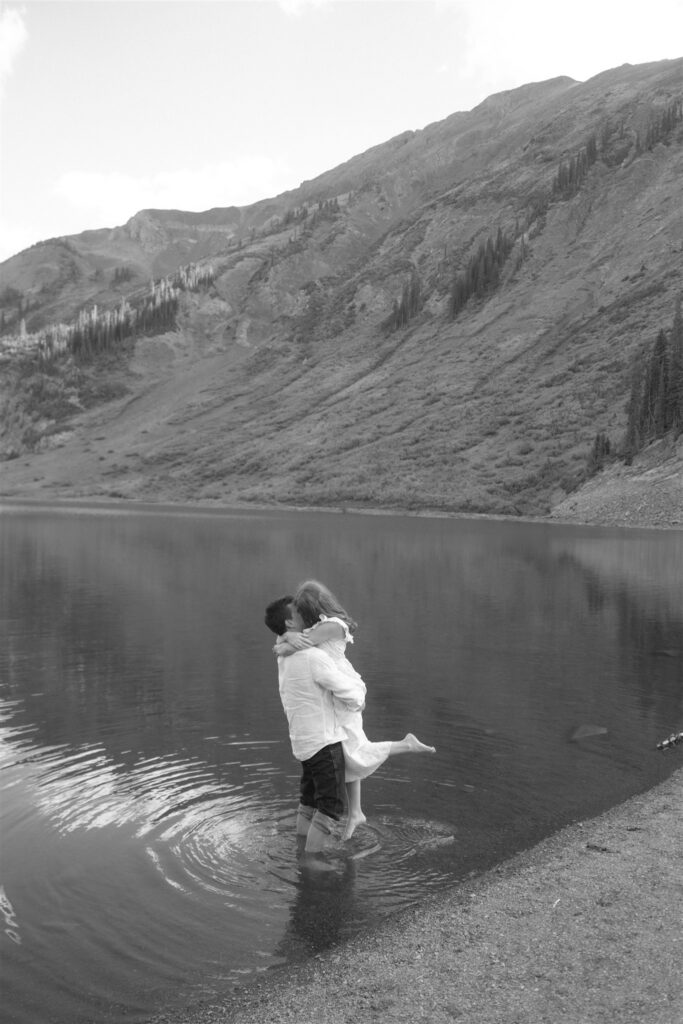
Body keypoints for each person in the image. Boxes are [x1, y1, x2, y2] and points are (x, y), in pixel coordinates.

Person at [275, 579, 435, 840]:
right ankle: (357, 812)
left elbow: (301, 642)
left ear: (312, 610)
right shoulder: (321, 625)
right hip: (334, 691)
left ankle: (405, 746)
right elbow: (300, 641)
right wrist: (286, 638)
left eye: (301, 613)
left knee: (352, 750)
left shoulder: (332, 626)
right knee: (348, 752)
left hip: (345, 689)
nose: (298, 618)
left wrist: (282, 643)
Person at [264, 594, 367, 854]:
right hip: (324, 743)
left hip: (302, 742)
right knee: (330, 807)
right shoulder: (314, 658)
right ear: (290, 623)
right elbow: (349, 693)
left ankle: (301, 849)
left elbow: (281, 641)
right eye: (298, 613)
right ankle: (312, 861)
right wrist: (360, 698)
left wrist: (285, 638)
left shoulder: (283, 657)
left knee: (309, 801)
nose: (307, 617)